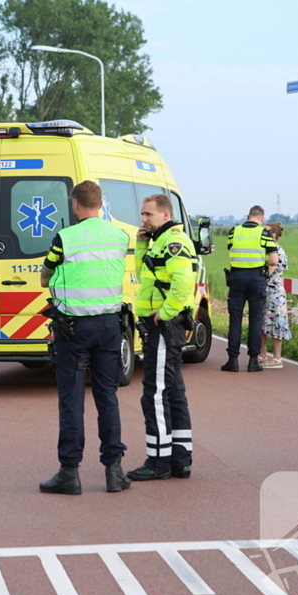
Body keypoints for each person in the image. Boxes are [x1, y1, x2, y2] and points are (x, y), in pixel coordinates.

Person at [38, 180, 131, 495]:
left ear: (75, 204)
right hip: (109, 326)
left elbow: (45, 275)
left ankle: (69, 472)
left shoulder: (65, 238)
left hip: (73, 329)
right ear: (101, 204)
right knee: (107, 396)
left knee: (71, 400)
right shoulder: (119, 236)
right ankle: (114, 471)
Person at [127, 194, 195, 481]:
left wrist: (165, 314)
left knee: (154, 393)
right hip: (162, 325)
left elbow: (182, 284)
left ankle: (159, 461)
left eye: (148, 215)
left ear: (165, 215)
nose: (143, 219)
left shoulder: (174, 243)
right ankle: (180, 458)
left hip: (165, 327)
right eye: (142, 214)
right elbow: (146, 276)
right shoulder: (160, 242)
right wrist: (142, 244)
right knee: (174, 391)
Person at [222, 206, 278, 373]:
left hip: (237, 278)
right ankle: (253, 361)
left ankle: (233, 361)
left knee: (235, 320)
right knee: (255, 321)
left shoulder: (234, 231)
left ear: (248, 216)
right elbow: (274, 260)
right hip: (256, 279)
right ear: (261, 219)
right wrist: (262, 263)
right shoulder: (264, 233)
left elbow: (231, 249)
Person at [260, 222, 291, 368]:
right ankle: (262, 354)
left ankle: (277, 358)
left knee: (276, 323)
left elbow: (269, 271)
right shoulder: (263, 250)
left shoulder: (278, 252)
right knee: (262, 323)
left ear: (274, 235)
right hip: (263, 291)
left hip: (274, 293)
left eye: (267, 233)